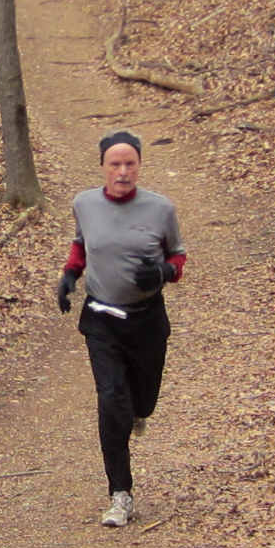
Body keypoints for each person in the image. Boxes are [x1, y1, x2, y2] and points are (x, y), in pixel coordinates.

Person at [56, 130, 184, 526]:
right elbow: (82, 244)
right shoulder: (85, 204)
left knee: (141, 401)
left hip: (146, 321)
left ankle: (139, 411)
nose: (123, 171)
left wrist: (163, 271)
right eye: (115, 164)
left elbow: (177, 257)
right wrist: (69, 275)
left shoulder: (161, 210)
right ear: (102, 167)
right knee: (112, 401)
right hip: (101, 319)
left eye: (130, 164)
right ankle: (120, 493)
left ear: (140, 166)